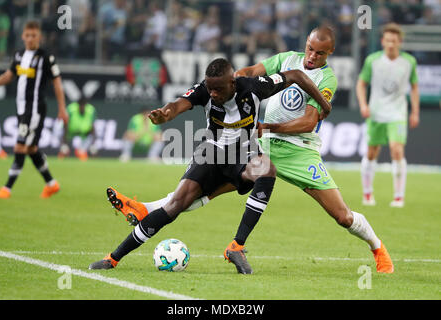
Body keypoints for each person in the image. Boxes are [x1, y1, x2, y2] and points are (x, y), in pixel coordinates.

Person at [114, 26, 394, 274]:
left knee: (342, 216)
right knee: (203, 190)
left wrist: (266, 127)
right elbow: (249, 73)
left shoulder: (326, 80)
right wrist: (234, 84)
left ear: (329, 53)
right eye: (310, 48)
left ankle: (377, 247)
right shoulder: (287, 58)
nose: (312, 56)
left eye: (320, 53)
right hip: (259, 146)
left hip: (298, 151)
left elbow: (309, 122)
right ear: (305, 44)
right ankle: (146, 210)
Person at [89, 57, 331, 274]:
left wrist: (324, 104)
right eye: (210, 88)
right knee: (176, 205)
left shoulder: (254, 86)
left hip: (243, 154)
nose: (212, 93)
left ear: (233, 83)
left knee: (267, 171)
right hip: (210, 154)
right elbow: (178, 104)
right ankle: (113, 258)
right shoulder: (204, 90)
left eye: (218, 89)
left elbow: (296, 75)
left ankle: (236, 246)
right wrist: (165, 114)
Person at [0, 21, 68, 199]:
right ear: (23, 36)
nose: (31, 39)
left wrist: (62, 108)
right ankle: (51, 184)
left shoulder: (46, 57)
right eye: (28, 35)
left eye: (34, 35)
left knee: (20, 145)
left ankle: (7, 188)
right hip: (21, 108)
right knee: (31, 148)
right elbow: (10, 75)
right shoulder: (18, 55)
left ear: (39, 37)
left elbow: (57, 82)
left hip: (34, 109)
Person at [356, 23, 419, 208]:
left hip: (398, 113)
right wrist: (363, 104)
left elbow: (414, 87)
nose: (391, 44)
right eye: (387, 40)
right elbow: (361, 84)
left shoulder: (409, 62)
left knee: (397, 150)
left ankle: (398, 196)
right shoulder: (372, 61)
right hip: (376, 113)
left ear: (399, 42)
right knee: (371, 152)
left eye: (394, 40)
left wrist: (415, 111)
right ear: (383, 41)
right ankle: (368, 193)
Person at [58, 97, 96, 161]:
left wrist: (93, 144)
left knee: (83, 149)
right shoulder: (71, 109)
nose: (82, 107)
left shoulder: (91, 110)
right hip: (70, 134)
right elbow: (65, 126)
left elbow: (93, 128)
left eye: (84, 105)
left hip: (84, 136)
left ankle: (82, 153)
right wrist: (64, 143)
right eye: (81, 105)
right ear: (78, 105)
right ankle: (63, 154)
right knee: (65, 148)